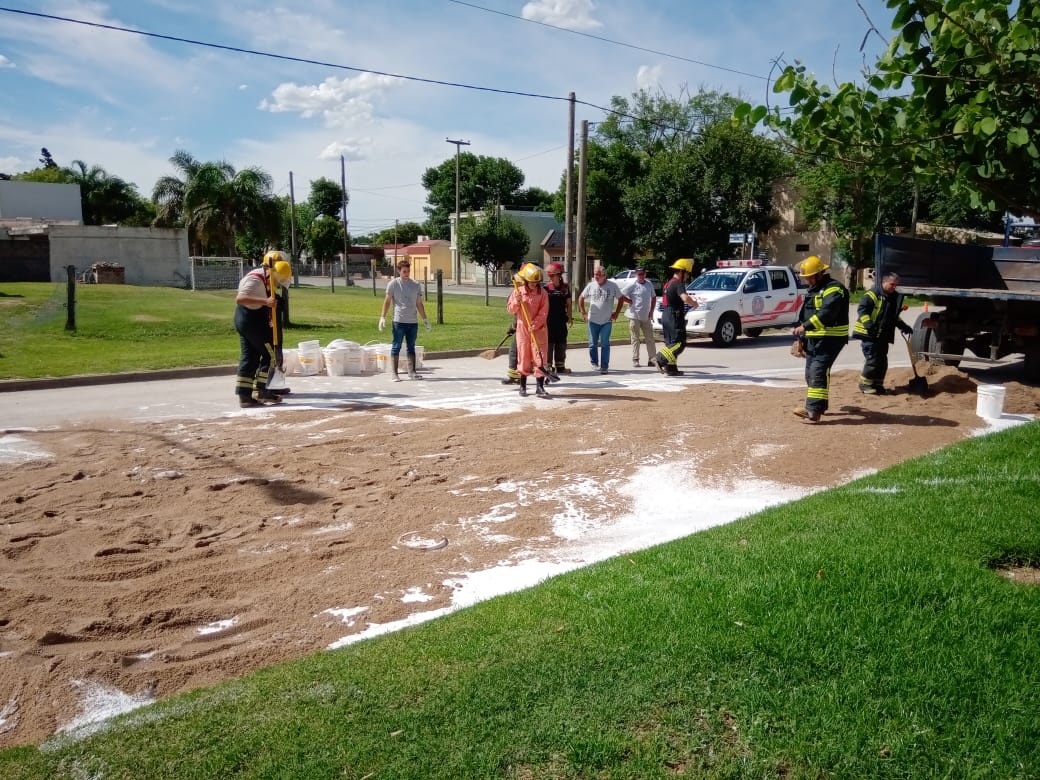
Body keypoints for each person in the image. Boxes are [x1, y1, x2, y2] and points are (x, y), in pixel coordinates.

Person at [791, 255, 850, 422]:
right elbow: (807, 314)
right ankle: (820, 405)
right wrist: (801, 336)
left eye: (808, 276)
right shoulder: (815, 289)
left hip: (831, 338)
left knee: (817, 372)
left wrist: (805, 327)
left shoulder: (834, 289)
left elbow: (827, 313)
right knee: (811, 374)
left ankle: (812, 411)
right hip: (815, 339)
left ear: (819, 274)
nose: (806, 280)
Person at [234, 255, 293, 408]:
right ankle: (262, 390)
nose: (278, 285)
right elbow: (240, 298)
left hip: (251, 320)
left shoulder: (267, 279)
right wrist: (265, 302)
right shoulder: (255, 280)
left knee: (251, 356)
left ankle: (245, 395)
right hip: (249, 320)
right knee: (271, 355)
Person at [853, 271, 913, 394]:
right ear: (884, 282)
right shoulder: (872, 294)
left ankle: (878, 385)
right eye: (892, 284)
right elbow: (862, 311)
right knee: (873, 360)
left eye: (896, 285)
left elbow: (893, 317)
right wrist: (869, 325)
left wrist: (903, 326)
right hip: (869, 334)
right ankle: (865, 384)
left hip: (883, 336)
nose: (894, 287)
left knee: (882, 361)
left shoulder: (893, 297)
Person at [379, 258, 431, 382]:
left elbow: (419, 303)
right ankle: (394, 373)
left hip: (412, 321)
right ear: (399, 271)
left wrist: (425, 319)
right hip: (399, 321)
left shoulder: (416, 285)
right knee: (396, 346)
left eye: (408, 271)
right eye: (404, 271)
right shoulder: (393, 284)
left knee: (411, 347)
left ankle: (412, 372)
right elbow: (387, 301)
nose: (406, 274)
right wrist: (382, 317)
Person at [507, 262, 551, 397]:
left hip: (539, 329)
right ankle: (523, 386)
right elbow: (510, 309)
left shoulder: (542, 293)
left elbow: (544, 311)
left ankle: (540, 387)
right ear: (525, 280)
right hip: (523, 329)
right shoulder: (518, 292)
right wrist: (516, 302)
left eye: (536, 282)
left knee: (540, 357)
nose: (534, 285)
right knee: (524, 356)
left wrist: (536, 324)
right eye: (531, 282)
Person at [651, 258, 696, 376]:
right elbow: (685, 298)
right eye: (686, 273)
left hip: (666, 315)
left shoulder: (668, 283)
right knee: (679, 343)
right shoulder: (678, 284)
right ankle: (659, 359)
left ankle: (670, 368)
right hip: (674, 317)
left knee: (670, 343)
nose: (687, 276)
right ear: (681, 272)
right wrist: (694, 303)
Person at [578, 267, 627, 374]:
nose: (596, 277)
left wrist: (617, 313)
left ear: (604, 275)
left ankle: (604, 365)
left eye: (598, 275)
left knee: (605, 343)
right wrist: (584, 313)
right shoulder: (591, 285)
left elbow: (621, 299)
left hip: (606, 321)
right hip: (593, 320)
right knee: (592, 344)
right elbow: (581, 298)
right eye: (595, 274)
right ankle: (594, 363)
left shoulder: (612, 285)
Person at [621, 266, 657, 367]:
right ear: (636, 274)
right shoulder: (632, 284)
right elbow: (621, 295)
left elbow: (653, 297)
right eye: (639, 274)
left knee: (650, 338)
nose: (641, 276)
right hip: (634, 315)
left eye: (642, 274)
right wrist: (629, 301)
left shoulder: (649, 283)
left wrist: (651, 312)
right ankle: (635, 359)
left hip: (646, 316)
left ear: (645, 274)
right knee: (635, 338)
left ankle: (652, 359)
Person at [544, 261, 573, 373]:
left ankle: (560, 366)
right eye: (549, 275)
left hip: (561, 320)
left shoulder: (565, 288)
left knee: (561, 343)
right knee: (549, 343)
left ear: (559, 275)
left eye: (552, 275)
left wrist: (570, 318)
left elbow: (569, 304)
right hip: (548, 321)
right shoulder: (546, 288)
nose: (550, 277)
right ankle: (548, 366)